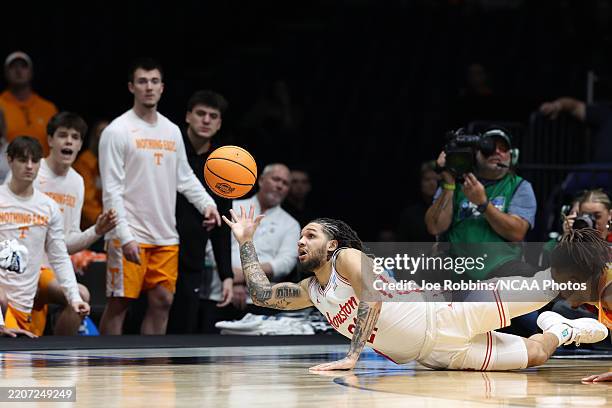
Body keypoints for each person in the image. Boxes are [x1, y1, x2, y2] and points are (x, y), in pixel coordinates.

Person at [223, 206, 609, 371]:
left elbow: (371, 300)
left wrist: (353, 356)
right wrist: (245, 240)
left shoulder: (348, 261)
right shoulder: (313, 291)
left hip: (449, 317)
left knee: (549, 285)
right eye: (300, 237)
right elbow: (261, 294)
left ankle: (599, 271)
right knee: (538, 356)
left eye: (311, 234)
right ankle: (562, 329)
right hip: (435, 356)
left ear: (334, 244)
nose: (301, 242)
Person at [98, 58, 221, 335]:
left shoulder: (172, 130)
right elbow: (112, 189)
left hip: (164, 234)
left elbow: (184, 177)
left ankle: (153, 371)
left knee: (163, 301)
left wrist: (208, 205)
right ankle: (107, 369)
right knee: (120, 302)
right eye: (142, 81)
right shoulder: (117, 131)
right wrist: (124, 235)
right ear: (132, 87)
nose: (149, 87)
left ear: (162, 88)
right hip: (128, 232)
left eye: (154, 81)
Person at [27, 112, 117, 336]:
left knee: (79, 296)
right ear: (50, 140)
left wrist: (96, 231)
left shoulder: (77, 182)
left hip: (54, 271)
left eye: (75, 137)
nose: (69, 141)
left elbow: (67, 243)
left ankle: (60, 356)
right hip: (25, 267)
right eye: (63, 135)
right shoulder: (31, 172)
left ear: (79, 145)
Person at [0, 136, 89, 335]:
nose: (29, 166)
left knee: (25, 361)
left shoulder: (48, 207)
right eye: (23, 160)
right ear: (10, 160)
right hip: (2, 302)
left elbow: (59, 256)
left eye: (35, 161)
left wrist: (74, 298)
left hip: (25, 302)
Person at [425, 127, 537, 279]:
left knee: (524, 274)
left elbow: (517, 232)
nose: (496, 152)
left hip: (502, 270)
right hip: (456, 270)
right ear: (476, 155)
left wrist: (483, 204)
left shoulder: (520, 186)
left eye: (503, 148)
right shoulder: (455, 184)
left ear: (512, 156)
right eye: (488, 148)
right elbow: (434, 226)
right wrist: (449, 184)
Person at [167, 90, 233, 334]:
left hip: (192, 260)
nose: (206, 120)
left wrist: (226, 274)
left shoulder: (223, 167)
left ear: (219, 124)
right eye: (200, 114)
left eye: (212, 116)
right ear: (188, 116)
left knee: (182, 329)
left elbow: (223, 224)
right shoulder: (168, 150)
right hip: (159, 248)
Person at [230, 164, 300, 314]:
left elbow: (286, 263)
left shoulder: (291, 224)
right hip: (221, 293)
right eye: (276, 179)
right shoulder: (233, 208)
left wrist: (242, 277)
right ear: (261, 180)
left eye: (285, 183)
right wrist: (229, 278)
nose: (280, 186)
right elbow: (212, 249)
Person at [0, 51, 58, 155]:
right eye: (13, 67)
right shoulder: (1, 105)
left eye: (23, 66)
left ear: (31, 72)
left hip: (43, 168)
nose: (18, 70)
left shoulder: (48, 108)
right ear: (5, 73)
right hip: (6, 168)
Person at [539, 97, 612, 163]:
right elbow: (575, 107)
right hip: (598, 170)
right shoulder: (606, 113)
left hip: (605, 170)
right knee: (575, 176)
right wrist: (556, 106)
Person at [73, 119, 109, 230]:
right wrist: (102, 220)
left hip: (112, 221)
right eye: (101, 131)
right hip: (90, 225)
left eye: (108, 131)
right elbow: (86, 199)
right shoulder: (85, 161)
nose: (105, 135)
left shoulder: (118, 161)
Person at [398, 160, 439, 242]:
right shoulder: (409, 214)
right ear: (420, 182)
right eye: (427, 179)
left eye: (435, 179)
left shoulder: (448, 210)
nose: (432, 183)